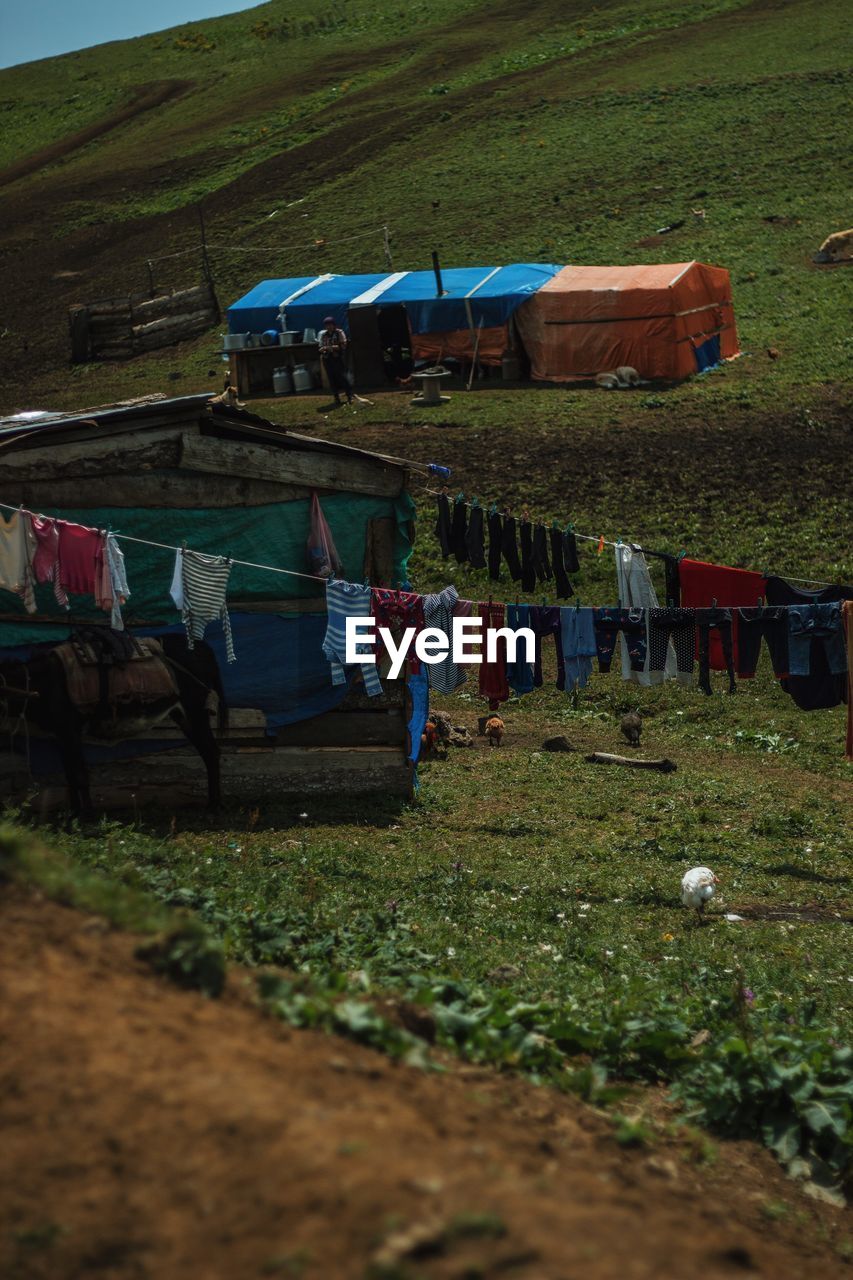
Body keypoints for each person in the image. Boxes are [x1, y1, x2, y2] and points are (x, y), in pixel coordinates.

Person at [319, 315, 353, 405]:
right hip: (327, 359)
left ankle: (349, 396)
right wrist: (323, 349)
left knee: (342, 377)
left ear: (334, 325)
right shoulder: (324, 335)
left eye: (330, 325)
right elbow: (321, 345)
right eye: (327, 325)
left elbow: (343, 345)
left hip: (337, 358)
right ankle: (336, 397)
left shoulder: (339, 332)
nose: (329, 327)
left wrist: (332, 347)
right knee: (331, 378)